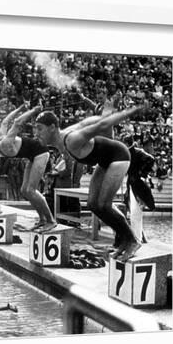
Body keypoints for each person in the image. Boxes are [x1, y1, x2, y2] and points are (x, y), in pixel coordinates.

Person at [34, 106, 146, 261]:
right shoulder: (64, 136)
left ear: (52, 128)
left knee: (104, 204)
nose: (36, 133)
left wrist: (130, 112)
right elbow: (87, 122)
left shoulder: (71, 140)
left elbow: (101, 126)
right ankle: (123, 237)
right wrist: (101, 116)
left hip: (119, 156)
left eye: (40, 129)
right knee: (93, 204)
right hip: (104, 160)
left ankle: (133, 240)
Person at [0, 105, 56, 231]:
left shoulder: (5, 143)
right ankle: (42, 219)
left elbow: (17, 122)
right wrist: (19, 108)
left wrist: (34, 110)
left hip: (40, 153)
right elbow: (5, 121)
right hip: (32, 156)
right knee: (24, 191)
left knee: (31, 190)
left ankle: (51, 220)